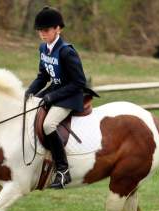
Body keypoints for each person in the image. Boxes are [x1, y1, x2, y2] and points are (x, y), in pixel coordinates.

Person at [25, 6, 99, 189]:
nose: (42, 34)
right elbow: (43, 76)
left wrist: (52, 96)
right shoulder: (43, 48)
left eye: (46, 30)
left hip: (70, 96)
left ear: (58, 29)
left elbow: (79, 82)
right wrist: (29, 92)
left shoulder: (67, 51)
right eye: (40, 31)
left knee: (48, 124)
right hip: (55, 93)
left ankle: (63, 169)